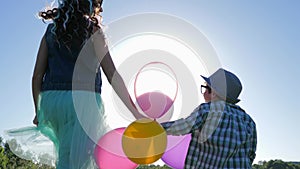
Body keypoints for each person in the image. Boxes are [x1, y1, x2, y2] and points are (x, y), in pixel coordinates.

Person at [6, 0, 143, 168]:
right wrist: (136, 114)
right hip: (84, 101)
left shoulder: (51, 31)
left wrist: (38, 111)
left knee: (66, 152)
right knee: (83, 159)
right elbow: (112, 74)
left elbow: (36, 76)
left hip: (53, 101)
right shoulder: (93, 31)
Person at [161, 68, 257, 169]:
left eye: (205, 88)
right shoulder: (248, 121)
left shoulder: (208, 109)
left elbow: (185, 126)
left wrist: (158, 127)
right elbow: (251, 153)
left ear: (214, 93)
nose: (203, 92)